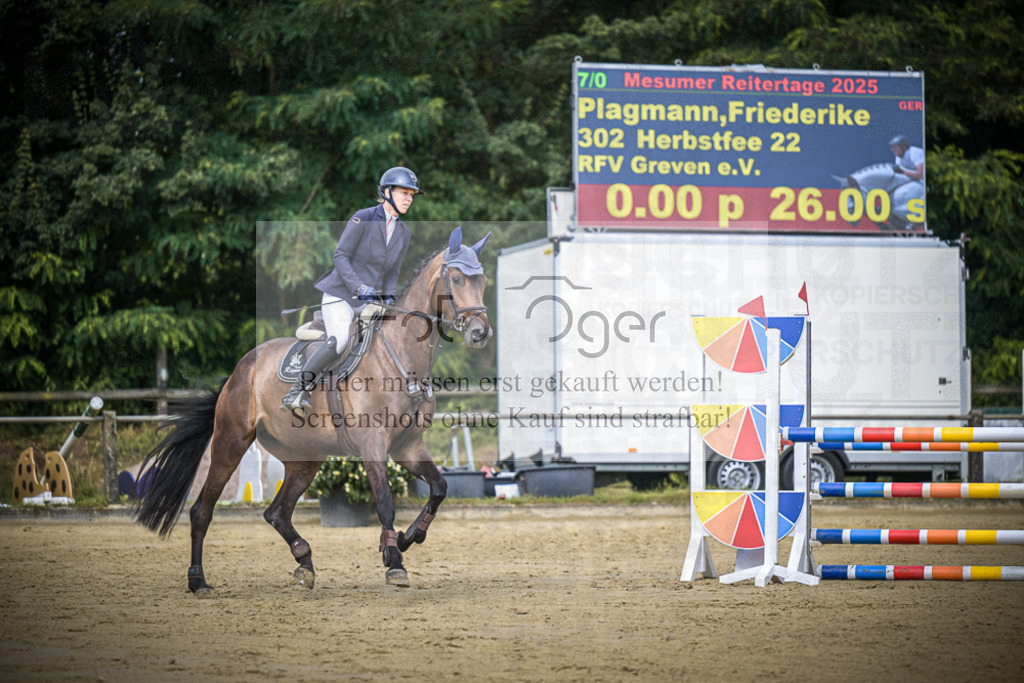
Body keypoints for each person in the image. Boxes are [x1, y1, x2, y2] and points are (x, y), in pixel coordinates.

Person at [281, 166, 422, 415]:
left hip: (371, 301)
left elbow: (393, 272)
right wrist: (359, 287)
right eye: (404, 193)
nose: (409, 199)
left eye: (411, 195)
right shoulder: (363, 217)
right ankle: (298, 390)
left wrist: (390, 297)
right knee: (340, 340)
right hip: (341, 295)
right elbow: (341, 256)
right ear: (387, 192)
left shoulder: (404, 232)